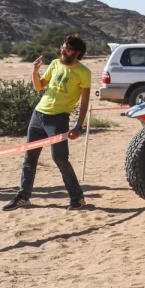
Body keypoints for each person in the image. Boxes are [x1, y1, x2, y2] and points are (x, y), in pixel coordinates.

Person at [4, 35, 91, 211]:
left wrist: (78, 126)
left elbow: (84, 102)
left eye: (67, 49)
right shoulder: (54, 64)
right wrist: (34, 72)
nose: (63, 51)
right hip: (38, 115)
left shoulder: (84, 72)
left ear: (77, 52)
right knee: (30, 158)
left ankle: (77, 198)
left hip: (58, 119)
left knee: (59, 158)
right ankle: (23, 197)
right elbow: (39, 87)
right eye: (63, 47)